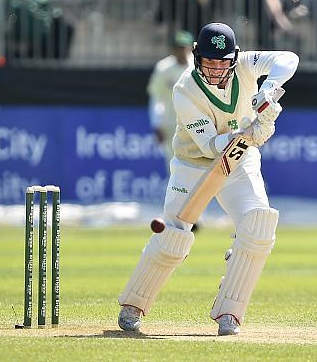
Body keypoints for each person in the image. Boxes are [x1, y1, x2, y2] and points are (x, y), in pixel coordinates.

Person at [118, 22, 298, 335]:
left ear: (235, 58)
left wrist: (268, 90)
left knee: (258, 226)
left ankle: (230, 313)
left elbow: (288, 58)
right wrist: (251, 133)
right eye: (209, 62)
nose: (216, 69)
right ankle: (134, 303)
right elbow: (210, 145)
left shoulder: (245, 65)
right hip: (193, 165)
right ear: (196, 56)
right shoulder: (185, 89)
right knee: (173, 233)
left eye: (223, 62)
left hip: (239, 162)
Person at [147, 30, 194, 174]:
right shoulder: (163, 68)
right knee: (174, 166)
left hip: (195, 123)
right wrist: (156, 123)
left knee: (196, 166)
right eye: (178, 47)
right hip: (171, 124)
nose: (181, 51)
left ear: (191, 48)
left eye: (184, 47)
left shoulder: (197, 67)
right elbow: (156, 98)